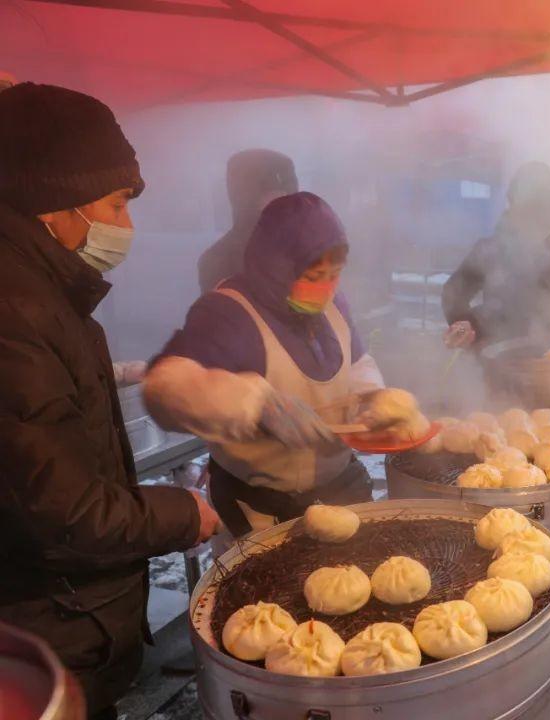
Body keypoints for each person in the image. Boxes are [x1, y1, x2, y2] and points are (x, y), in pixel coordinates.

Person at [0, 83, 217, 719]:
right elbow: (64, 510)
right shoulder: (17, 310)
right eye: (116, 205)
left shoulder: (42, 294)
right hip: (50, 624)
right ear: (54, 202)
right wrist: (182, 513)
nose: (125, 227)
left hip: (69, 617)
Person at [145, 192, 384, 537]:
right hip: (261, 517)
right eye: (314, 275)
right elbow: (166, 387)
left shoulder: (333, 306)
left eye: (335, 274)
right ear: (277, 267)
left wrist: (370, 399)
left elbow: (358, 361)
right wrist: (254, 404)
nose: (326, 288)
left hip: (340, 498)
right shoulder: (227, 314)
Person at [442, 161, 550, 348]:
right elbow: (452, 294)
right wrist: (468, 330)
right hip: (498, 359)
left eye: (547, 209)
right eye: (532, 209)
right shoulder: (491, 250)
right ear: (514, 207)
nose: (542, 218)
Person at [197, 149, 298, 294]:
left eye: (288, 195)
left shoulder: (309, 251)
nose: (284, 203)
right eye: (271, 194)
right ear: (245, 198)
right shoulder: (219, 261)